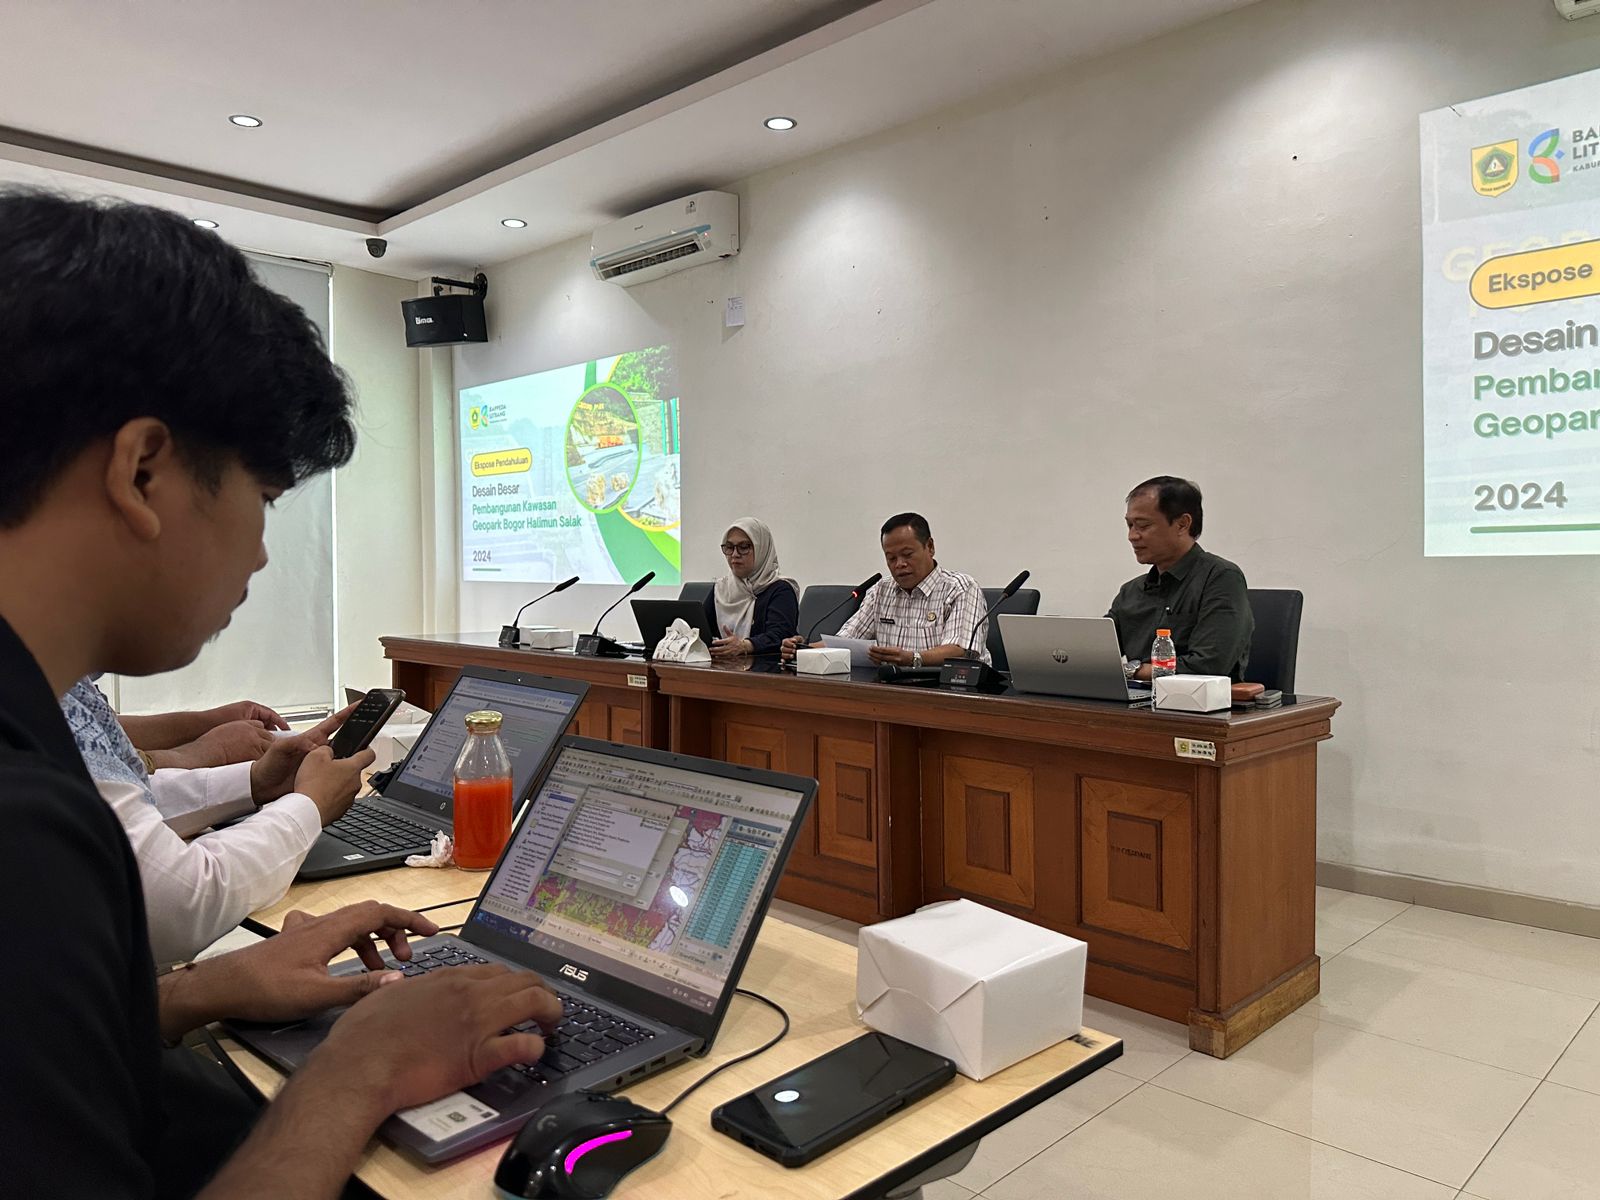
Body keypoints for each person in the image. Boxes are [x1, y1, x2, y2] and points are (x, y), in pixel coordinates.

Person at [0, 190, 560, 1198]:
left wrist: (201, 992)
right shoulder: (20, 833)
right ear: (142, 470)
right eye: (262, 500)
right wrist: (361, 1068)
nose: (262, 554)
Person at [62, 676, 366, 962]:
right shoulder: (55, 705)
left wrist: (256, 782)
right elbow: (179, 903)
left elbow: (126, 797)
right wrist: (309, 805)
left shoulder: (65, 689)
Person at [784, 512, 989, 668]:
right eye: (891, 558)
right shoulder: (881, 591)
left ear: (930, 547)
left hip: (952, 690)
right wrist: (802, 650)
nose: (899, 564)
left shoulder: (960, 588)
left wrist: (913, 658)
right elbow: (846, 640)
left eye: (907, 554)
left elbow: (961, 650)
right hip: (894, 688)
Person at [1107, 476, 1254, 681]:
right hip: (1136, 697)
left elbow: (1208, 666)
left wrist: (1131, 671)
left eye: (1143, 525)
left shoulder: (1221, 578)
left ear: (1182, 524)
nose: (1132, 536)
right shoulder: (1130, 591)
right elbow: (1097, 654)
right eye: (1129, 525)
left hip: (1195, 699)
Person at [702, 517, 798, 658]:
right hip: (723, 665)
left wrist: (745, 646)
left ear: (761, 549)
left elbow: (781, 636)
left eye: (744, 547)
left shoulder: (780, 589)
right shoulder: (721, 589)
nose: (735, 554)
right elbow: (701, 629)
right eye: (729, 547)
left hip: (765, 668)